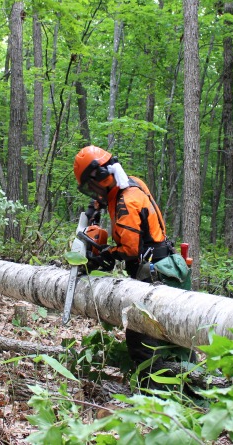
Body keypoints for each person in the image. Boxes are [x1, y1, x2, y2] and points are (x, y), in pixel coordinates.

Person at [73, 145, 191, 370]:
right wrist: (93, 209)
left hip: (157, 275)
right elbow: (114, 194)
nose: (93, 192)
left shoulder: (125, 202)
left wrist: (105, 253)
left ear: (101, 176)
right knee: (178, 340)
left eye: (92, 186)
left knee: (144, 345)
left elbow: (130, 250)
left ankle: (155, 397)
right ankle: (189, 388)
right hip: (168, 267)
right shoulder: (130, 184)